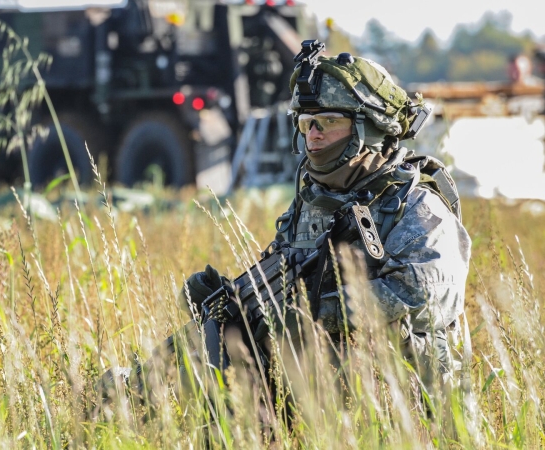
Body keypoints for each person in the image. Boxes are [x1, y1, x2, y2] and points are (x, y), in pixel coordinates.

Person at [182, 45, 471, 405]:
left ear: (369, 127)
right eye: (307, 123)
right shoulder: (312, 204)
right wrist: (231, 306)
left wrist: (318, 311)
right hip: (324, 400)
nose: (314, 135)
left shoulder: (415, 204)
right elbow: (288, 282)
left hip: (407, 407)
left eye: (330, 122)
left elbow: (426, 297)